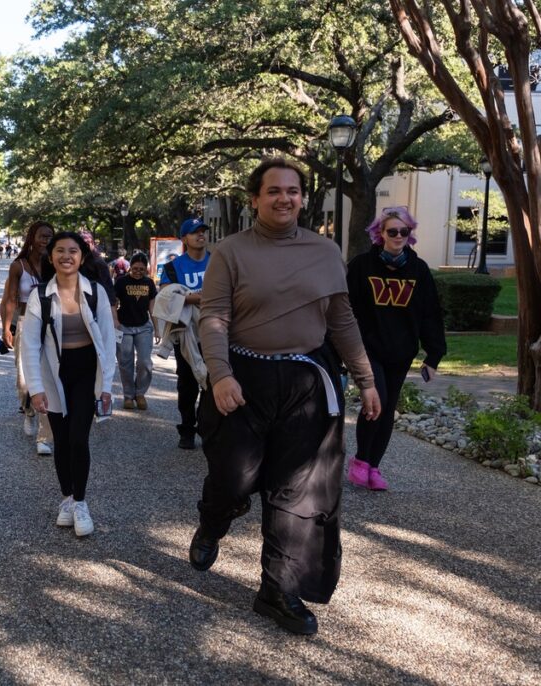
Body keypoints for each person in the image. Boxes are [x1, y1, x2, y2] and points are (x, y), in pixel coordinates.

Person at [191, 158, 381, 635]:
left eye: (292, 190)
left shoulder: (324, 252)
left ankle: (278, 589)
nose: (284, 198)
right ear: (254, 199)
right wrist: (221, 374)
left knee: (297, 492)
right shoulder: (230, 251)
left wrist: (366, 380)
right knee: (234, 480)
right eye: (273, 190)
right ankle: (214, 520)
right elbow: (212, 317)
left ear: (302, 197)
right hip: (242, 381)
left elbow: (342, 321)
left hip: (306, 385)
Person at [20, 231, 116, 537]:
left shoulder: (96, 293)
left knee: (78, 439)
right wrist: (35, 388)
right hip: (53, 375)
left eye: (73, 251)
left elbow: (108, 342)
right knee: (61, 440)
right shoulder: (40, 296)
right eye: (59, 250)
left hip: (86, 373)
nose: (66, 256)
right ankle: (67, 498)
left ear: (82, 257)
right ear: (51, 257)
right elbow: (30, 346)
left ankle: (81, 502)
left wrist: (107, 385)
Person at [346, 207, 446, 490]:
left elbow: (430, 314)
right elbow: (344, 308)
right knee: (376, 402)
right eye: (393, 231)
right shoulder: (361, 266)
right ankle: (361, 461)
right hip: (369, 348)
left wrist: (433, 355)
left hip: (401, 351)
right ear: (380, 234)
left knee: (388, 407)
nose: (399, 236)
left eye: (404, 231)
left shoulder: (419, 270)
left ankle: (373, 466)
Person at [0, 221, 55, 455]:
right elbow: (10, 299)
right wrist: (6, 327)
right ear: (32, 238)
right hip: (25, 322)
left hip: (52, 325)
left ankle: (44, 437)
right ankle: (28, 408)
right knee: (25, 379)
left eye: (50, 237)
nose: (46, 241)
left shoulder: (55, 265)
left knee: (48, 378)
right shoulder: (18, 266)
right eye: (42, 236)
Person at [160, 218, 211, 449]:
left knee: (214, 380)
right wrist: (202, 297)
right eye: (194, 232)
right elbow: (166, 296)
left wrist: (191, 296)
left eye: (203, 231)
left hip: (216, 331)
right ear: (184, 239)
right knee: (188, 384)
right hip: (187, 333)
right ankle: (187, 429)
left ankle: (208, 425)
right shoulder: (173, 267)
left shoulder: (218, 262)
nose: (200, 235)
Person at [114, 253, 158, 410]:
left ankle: (140, 394)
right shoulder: (121, 282)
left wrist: (157, 329)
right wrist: (115, 322)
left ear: (146, 269)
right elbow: (114, 303)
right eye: (135, 268)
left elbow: (152, 308)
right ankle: (128, 396)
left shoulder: (149, 283)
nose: (138, 271)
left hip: (143, 327)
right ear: (129, 267)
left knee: (145, 362)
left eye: (141, 269)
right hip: (124, 326)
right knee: (125, 362)